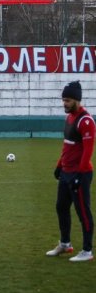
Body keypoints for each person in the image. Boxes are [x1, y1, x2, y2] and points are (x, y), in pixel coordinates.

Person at [46, 81, 95, 262]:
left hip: (79, 174)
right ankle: (65, 244)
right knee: (61, 207)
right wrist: (60, 165)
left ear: (76, 100)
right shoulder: (69, 118)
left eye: (67, 100)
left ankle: (87, 251)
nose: (64, 103)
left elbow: (88, 150)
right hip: (67, 172)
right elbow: (67, 146)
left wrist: (79, 175)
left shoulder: (86, 121)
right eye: (63, 100)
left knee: (83, 212)